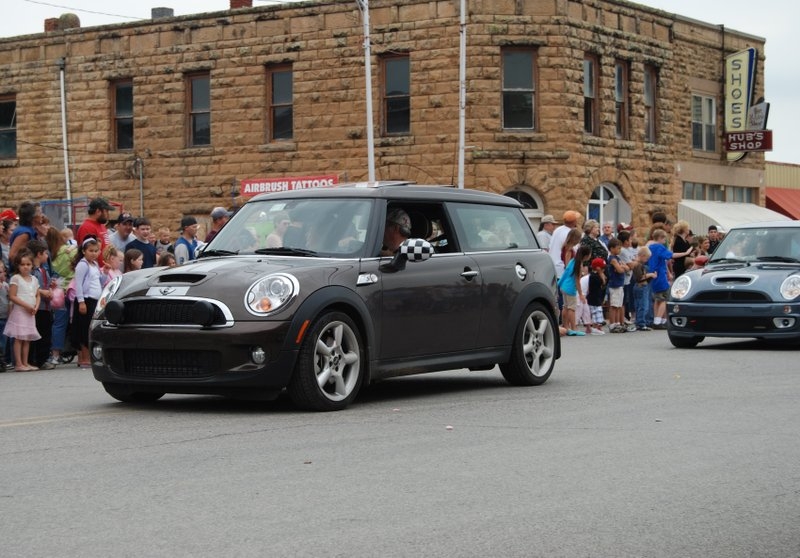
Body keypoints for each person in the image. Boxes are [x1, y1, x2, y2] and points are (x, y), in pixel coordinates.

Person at [71, 237, 108, 368]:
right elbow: (79, 284)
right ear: (84, 251)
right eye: (90, 250)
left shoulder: (95, 265)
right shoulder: (83, 265)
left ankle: (87, 357)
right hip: (86, 300)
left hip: (94, 300)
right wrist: (81, 301)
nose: (94, 253)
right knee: (83, 328)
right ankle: (84, 357)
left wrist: (106, 272)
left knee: (88, 327)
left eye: (96, 251)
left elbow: (99, 281)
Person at [4, 249, 41, 371]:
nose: (25, 267)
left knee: (27, 339)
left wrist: (35, 306)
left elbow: (37, 295)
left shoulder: (34, 279)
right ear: (18, 266)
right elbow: (12, 296)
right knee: (19, 338)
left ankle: (25, 363)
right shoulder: (16, 278)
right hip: (20, 312)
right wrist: (27, 306)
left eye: (28, 264)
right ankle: (18, 364)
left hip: (31, 312)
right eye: (22, 264)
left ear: (32, 265)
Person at [647, 228, 692, 329]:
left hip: (653, 274)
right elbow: (671, 255)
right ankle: (659, 321)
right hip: (660, 276)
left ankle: (657, 319)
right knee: (664, 299)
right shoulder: (659, 247)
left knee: (657, 299)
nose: (665, 241)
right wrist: (685, 253)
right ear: (660, 238)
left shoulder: (650, 247)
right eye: (664, 239)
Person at [47, 226, 75, 367]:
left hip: (57, 291)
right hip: (72, 288)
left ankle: (55, 354)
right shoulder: (67, 250)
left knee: (58, 324)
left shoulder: (51, 254)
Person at [28, 239, 56, 369]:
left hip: (46, 307)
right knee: (38, 334)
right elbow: (29, 286)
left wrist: (51, 287)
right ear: (39, 254)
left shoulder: (43, 270)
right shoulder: (32, 270)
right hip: (37, 307)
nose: (47, 256)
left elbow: (47, 283)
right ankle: (37, 359)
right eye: (45, 253)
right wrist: (43, 292)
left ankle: (43, 358)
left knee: (46, 334)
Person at [557, 245, 590, 336]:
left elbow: (565, 273)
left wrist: (559, 284)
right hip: (570, 288)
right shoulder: (579, 265)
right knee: (572, 308)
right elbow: (577, 281)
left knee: (565, 307)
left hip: (564, 286)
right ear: (586, 256)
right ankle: (573, 328)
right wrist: (581, 294)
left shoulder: (572, 261)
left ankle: (566, 326)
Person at [76, 197, 113, 267]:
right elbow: (88, 254)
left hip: (105, 270)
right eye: (106, 211)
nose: (108, 215)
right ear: (98, 211)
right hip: (97, 271)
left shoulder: (101, 225)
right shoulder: (87, 227)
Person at [8, 201, 41, 271]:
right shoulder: (24, 233)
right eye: (39, 212)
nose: (41, 215)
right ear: (33, 216)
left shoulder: (30, 230)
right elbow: (12, 255)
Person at [549, 210, 581, 279]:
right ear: (574, 222)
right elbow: (573, 251)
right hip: (563, 270)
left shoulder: (558, 229)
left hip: (553, 266)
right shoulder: (570, 233)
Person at [606, 238, 629, 333]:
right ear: (611, 248)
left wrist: (622, 267)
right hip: (614, 284)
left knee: (619, 305)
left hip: (620, 284)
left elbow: (627, 268)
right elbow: (620, 270)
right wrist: (622, 268)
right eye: (618, 248)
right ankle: (613, 324)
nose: (619, 250)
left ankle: (618, 323)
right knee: (614, 305)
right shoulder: (612, 259)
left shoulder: (618, 258)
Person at [631, 246, 656, 331]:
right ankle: (641, 323)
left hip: (639, 286)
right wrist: (650, 275)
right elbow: (639, 277)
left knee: (639, 305)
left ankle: (639, 322)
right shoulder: (638, 265)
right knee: (643, 306)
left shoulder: (638, 264)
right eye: (647, 258)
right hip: (641, 286)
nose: (647, 260)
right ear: (642, 255)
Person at [586, 257, 607, 334]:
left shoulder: (595, 275)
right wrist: (601, 274)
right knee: (595, 313)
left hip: (597, 298)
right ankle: (595, 327)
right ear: (598, 268)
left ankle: (597, 327)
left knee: (597, 312)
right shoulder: (594, 276)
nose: (604, 270)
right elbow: (603, 283)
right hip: (593, 299)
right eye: (603, 268)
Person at [0, 262, 12, 370]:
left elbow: (10, 300)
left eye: (1, 272)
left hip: (4, 317)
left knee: (3, 342)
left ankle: (3, 361)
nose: (1, 275)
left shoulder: (6, 286)